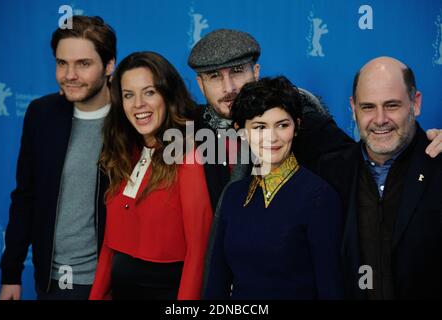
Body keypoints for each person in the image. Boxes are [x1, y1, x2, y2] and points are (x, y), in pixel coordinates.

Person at [188, 29, 442, 212]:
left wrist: (422, 145)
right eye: (214, 77)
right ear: (200, 84)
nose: (229, 87)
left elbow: (365, 162)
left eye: (236, 72)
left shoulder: (304, 119)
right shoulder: (194, 125)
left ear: (256, 71)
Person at [0, 16, 116, 300]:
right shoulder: (41, 114)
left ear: (109, 65)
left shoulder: (131, 119)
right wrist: (11, 274)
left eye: (83, 64)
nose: (69, 75)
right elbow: (25, 196)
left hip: (113, 282)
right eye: (62, 63)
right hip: (52, 282)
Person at [203, 76, 344, 299]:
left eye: (282, 125)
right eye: (260, 127)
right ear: (241, 131)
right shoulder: (233, 195)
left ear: (297, 127)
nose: (272, 137)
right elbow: (216, 282)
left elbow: (330, 287)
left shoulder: (319, 197)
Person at [89, 52, 213, 300]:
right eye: (128, 95)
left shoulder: (187, 156)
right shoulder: (122, 154)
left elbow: (198, 254)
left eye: (149, 92)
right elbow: (109, 245)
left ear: (167, 96)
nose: (138, 105)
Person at [317, 57, 442, 299]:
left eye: (392, 105)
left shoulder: (438, 165)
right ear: (353, 109)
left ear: (415, 103)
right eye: (368, 107)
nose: (380, 119)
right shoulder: (329, 172)